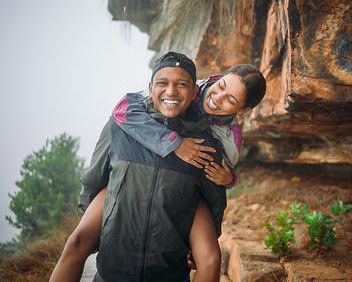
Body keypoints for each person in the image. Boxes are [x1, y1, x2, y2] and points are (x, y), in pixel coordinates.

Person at [50, 53, 266, 281]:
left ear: (242, 110)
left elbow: (215, 191)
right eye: (221, 86)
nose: (217, 97)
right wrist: (175, 143)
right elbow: (122, 112)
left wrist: (228, 180)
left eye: (230, 100)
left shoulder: (226, 140)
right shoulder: (181, 88)